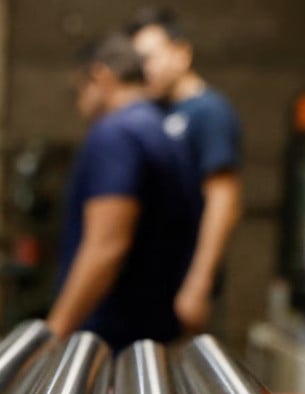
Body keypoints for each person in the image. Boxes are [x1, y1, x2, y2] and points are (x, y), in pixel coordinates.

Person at [47, 33, 202, 350]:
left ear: (101, 76)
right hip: (152, 335)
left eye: (81, 90)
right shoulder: (164, 132)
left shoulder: (116, 133)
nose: (80, 104)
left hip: (108, 339)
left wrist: (55, 333)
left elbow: (107, 245)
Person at [130, 8, 243, 334]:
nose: (144, 69)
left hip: (183, 286)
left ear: (181, 53)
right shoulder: (158, 112)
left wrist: (198, 283)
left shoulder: (208, 111)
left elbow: (224, 201)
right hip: (154, 285)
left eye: (150, 57)